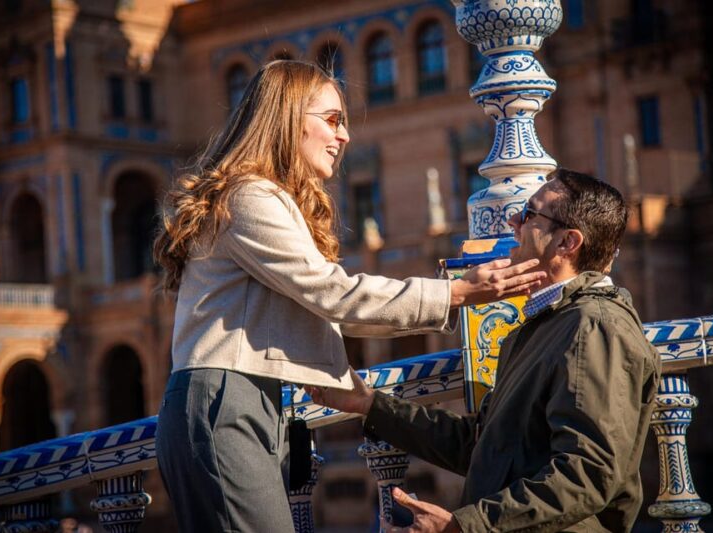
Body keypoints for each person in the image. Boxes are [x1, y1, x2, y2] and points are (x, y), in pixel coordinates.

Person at [152, 60, 546, 532]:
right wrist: (456, 293)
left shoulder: (258, 197)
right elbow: (333, 294)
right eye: (333, 119)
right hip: (225, 402)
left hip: (232, 403)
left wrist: (451, 302)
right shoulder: (250, 197)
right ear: (286, 117)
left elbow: (330, 310)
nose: (345, 136)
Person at [309, 169, 662, 533]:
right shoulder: (549, 324)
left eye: (529, 214)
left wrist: (464, 526)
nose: (513, 220)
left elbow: (587, 474)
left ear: (567, 242)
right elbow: (484, 446)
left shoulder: (595, 327)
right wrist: (368, 404)